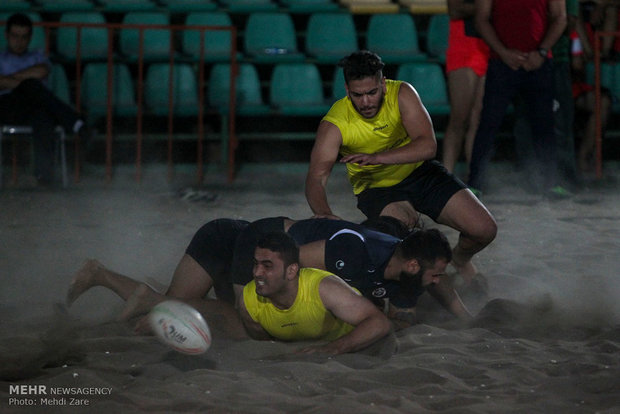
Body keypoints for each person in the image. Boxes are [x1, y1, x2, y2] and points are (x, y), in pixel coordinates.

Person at [304, 50, 497, 286]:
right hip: (376, 189)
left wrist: (378, 158)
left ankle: (459, 258)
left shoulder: (402, 93)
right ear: (347, 90)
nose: (365, 102)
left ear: (383, 84)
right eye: (357, 95)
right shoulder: (335, 123)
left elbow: (428, 146)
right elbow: (316, 178)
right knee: (408, 237)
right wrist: (324, 213)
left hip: (421, 173)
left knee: (484, 230)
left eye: (372, 92)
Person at [67, 225, 391, 354]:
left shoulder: (317, 284)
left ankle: (148, 301)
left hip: (231, 240)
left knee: (185, 304)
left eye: (266, 267)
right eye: (258, 266)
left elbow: (375, 319)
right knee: (188, 307)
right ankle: (144, 299)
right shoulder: (254, 292)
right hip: (224, 239)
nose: (259, 273)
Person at [230, 217, 474, 327]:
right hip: (265, 241)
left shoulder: (408, 276)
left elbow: (400, 322)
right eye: (436, 275)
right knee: (248, 314)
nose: (435, 282)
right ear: (413, 265)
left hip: (311, 251)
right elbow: (287, 264)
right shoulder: (355, 250)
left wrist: (468, 320)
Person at [468, 0, 569, 197]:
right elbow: (481, 20)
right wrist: (503, 52)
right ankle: (475, 183)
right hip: (501, 63)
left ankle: (550, 183)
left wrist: (540, 52)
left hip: (538, 63)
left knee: (544, 123)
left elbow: (560, 18)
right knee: (489, 122)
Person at [239, 232, 391, 354]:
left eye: (267, 266)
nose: (257, 273)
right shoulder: (249, 301)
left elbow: (380, 322)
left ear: (291, 271)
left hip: (352, 341)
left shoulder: (324, 288)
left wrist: (332, 349)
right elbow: (268, 346)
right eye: (255, 264)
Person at [0, 13, 89, 185]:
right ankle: (76, 124)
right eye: (15, 36)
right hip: (6, 106)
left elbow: (42, 71)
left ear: (30, 37)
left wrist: (10, 80)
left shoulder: (38, 56)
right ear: (6, 35)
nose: (19, 41)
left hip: (33, 107)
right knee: (33, 86)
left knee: (43, 116)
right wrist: (24, 82)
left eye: (24, 37)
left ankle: (44, 177)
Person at [513, 0, 580, 190]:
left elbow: (569, 22)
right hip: (525, 59)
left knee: (559, 121)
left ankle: (563, 180)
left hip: (555, 60)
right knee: (525, 120)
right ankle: (529, 177)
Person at [442, 0, 490, 177]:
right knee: (459, 118)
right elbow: (454, 10)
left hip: (489, 45)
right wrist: (489, 7)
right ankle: (445, 176)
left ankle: (474, 177)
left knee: (478, 119)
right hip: (464, 46)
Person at [570, 29, 613, 176]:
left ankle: (584, 157)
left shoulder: (574, 35)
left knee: (603, 102)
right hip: (545, 88)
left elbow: (578, 65)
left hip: (570, 86)